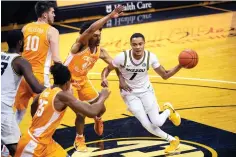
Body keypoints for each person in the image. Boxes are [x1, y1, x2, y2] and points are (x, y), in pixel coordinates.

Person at [101, 33, 182, 153]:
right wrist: (104, 78)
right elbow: (107, 69)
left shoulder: (151, 57)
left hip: (146, 91)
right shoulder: (122, 57)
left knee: (157, 122)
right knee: (146, 124)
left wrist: (180, 65)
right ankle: (173, 141)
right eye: (134, 44)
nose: (138, 47)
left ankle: (168, 111)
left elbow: (165, 75)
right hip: (129, 94)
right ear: (131, 45)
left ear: (144, 44)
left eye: (140, 44)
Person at [14, 63, 111, 157]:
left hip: (47, 143)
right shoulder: (62, 96)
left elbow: (33, 105)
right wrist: (103, 96)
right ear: (68, 82)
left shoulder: (46, 91)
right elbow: (92, 111)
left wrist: (38, 123)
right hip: (32, 145)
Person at [64, 5, 124, 151]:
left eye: (99, 35)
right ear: (87, 35)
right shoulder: (79, 46)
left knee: (100, 109)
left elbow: (115, 64)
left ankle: (97, 118)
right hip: (67, 82)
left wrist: (120, 79)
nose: (97, 37)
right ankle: (79, 138)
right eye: (94, 35)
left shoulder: (100, 51)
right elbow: (90, 29)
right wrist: (110, 16)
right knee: (81, 112)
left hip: (83, 80)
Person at [14, 1, 61, 124]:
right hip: (39, 77)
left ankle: (5, 141)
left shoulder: (26, 28)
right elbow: (56, 59)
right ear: (45, 15)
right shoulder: (52, 31)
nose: (54, 15)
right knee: (44, 111)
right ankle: (38, 140)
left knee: (19, 113)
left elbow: (19, 52)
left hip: (22, 76)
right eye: (52, 12)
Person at [1, 30, 45, 156]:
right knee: (16, 148)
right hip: (3, 107)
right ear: (20, 42)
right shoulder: (20, 61)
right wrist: (54, 88)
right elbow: (36, 88)